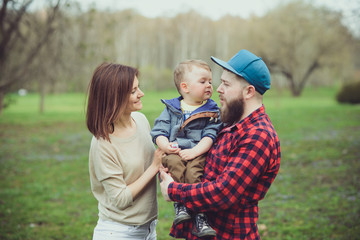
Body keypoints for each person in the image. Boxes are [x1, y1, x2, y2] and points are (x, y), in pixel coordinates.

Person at [159, 49, 281, 240]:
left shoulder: (258, 136)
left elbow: (223, 193)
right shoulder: (227, 122)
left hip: (229, 235)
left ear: (248, 91)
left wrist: (173, 190)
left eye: (225, 84)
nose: (218, 89)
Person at [86, 62, 164, 240]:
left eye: (138, 88)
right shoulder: (103, 144)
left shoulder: (140, 120)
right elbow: (120, 199)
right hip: (120, 232)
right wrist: (154, 166)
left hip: (149, 229)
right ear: (114, 97)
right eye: (133, 91)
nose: (141, 94)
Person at [151, 60, 223, 237]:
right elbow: (159, 130)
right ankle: (181, 206)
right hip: (175, 152)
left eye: (210, 82)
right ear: (185, 87)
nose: (209, 85)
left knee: (194, 175)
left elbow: (210, 136)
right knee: (174, 165)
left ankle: (200, 217)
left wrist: (195, 151)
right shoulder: (171, 108)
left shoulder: (212, 111)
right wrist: (165, 145)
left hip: (197, 153)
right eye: (203, 81)